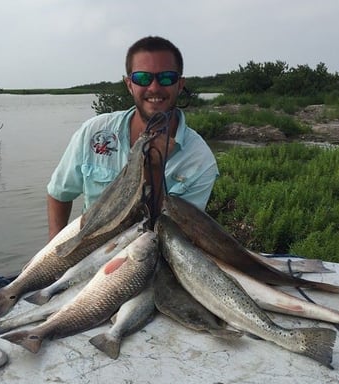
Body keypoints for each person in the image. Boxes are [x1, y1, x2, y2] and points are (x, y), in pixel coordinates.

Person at [47, 36, 219, 240]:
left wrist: (154, 169)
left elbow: (169, 236)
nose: (154, 88)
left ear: (180, 85)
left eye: (166, 78)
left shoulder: (200, 160)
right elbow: (59, 194)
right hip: (87, 250)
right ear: (129, 84)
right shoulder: (94, 131)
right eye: (143, 79)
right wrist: (54, 252)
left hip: (147, 259)